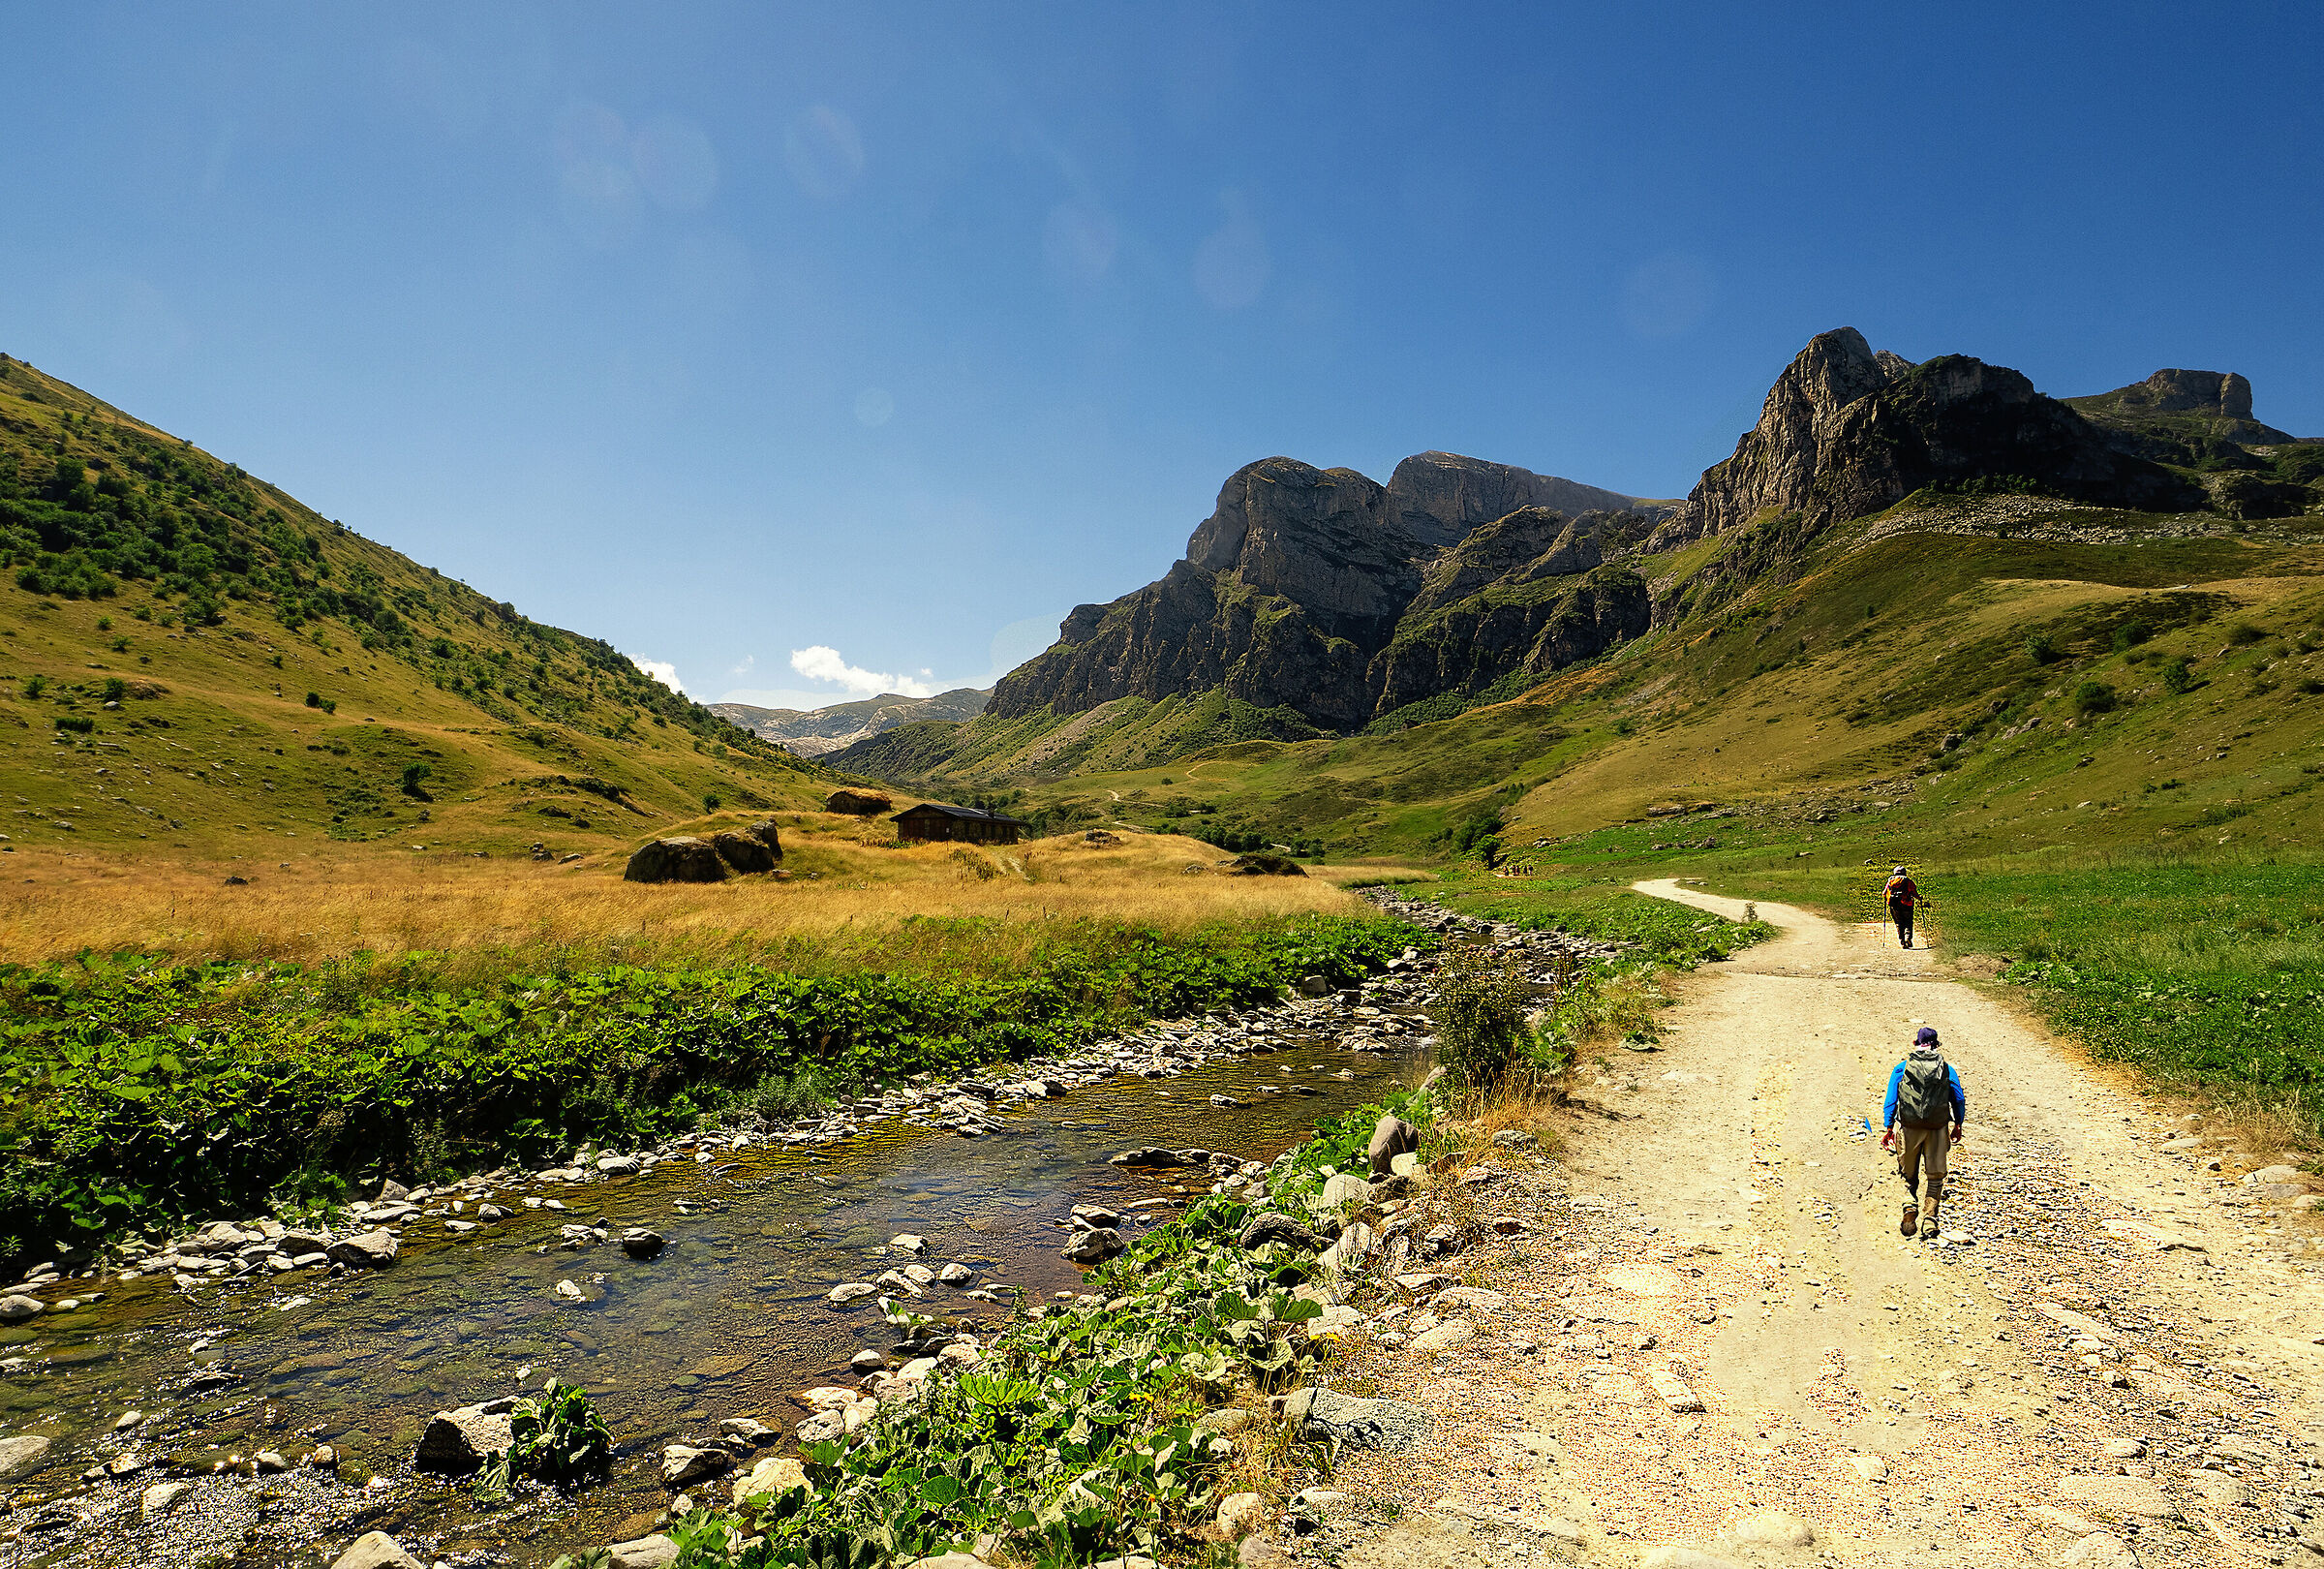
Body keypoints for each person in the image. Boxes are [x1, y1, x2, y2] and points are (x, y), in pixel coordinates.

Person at [1881, 1026, 1964, 1240]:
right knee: (1935, 1178)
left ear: (1916, 1044)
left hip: (1909, 1129)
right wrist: (1958, 1124)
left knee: (1909, 1175)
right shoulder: (1946, 1068)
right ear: (1936, 1044)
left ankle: (1909, 1207)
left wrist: (1889, 1127)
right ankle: (1930, 1221)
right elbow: (1959, 1098)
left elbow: (1891, 1100)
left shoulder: (1902, 1067)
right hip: (1937, 1129)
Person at [1883, 865, 1922, 949]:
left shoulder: (1891, 881)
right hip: (1907, 904)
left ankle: (1902, 942)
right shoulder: (1908, 881)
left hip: (1894, 905)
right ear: (1905, 873)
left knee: (1899, 923)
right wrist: (1919, 898)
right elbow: (1914, 893)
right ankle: (1908, 938)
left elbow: (1884, 893)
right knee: (1908, 922)